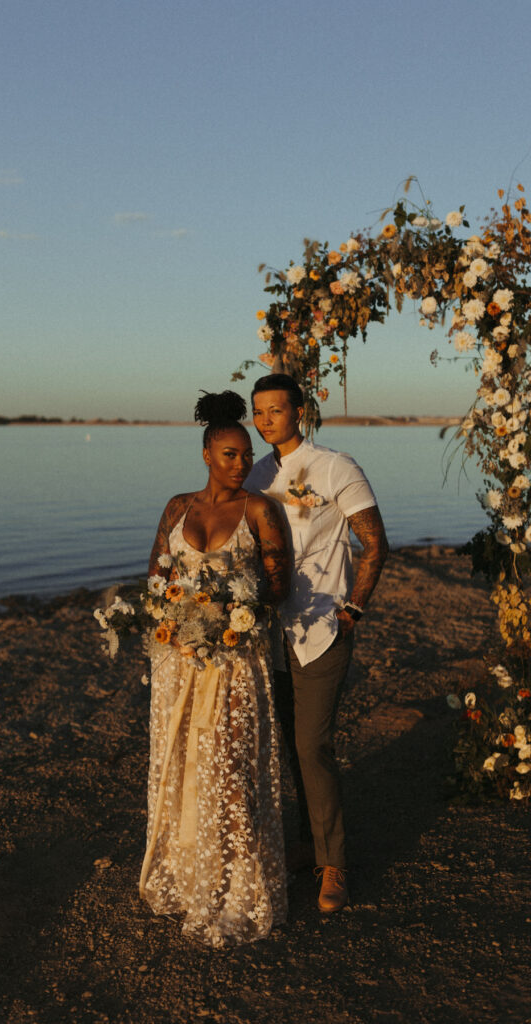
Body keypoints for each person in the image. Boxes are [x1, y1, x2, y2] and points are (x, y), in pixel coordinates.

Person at [139, 390, 291, 947]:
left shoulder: (259, 512)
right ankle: (187, 874)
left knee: (230, 768)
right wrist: (173, 614)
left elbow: (278, 588)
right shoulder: (178, 507)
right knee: (182, 761)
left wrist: (229, 609)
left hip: (234, 663)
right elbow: (156, 577)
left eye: (247, 455)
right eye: (230, 454)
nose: (241, 464)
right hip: (179, 664)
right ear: (207, 454)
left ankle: (236, 886)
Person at [244, 373, 388, 913]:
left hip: (323, 628)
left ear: (298, 412)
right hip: (270, 631)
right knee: (291, 746)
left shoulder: (336, 466)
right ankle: (307, 844)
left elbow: (375, 542)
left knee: (313, 746)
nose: (265, 421)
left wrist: (354, 607)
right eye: (258, 413)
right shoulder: (256, 475)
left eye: (275, 411)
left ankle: (336, 864)